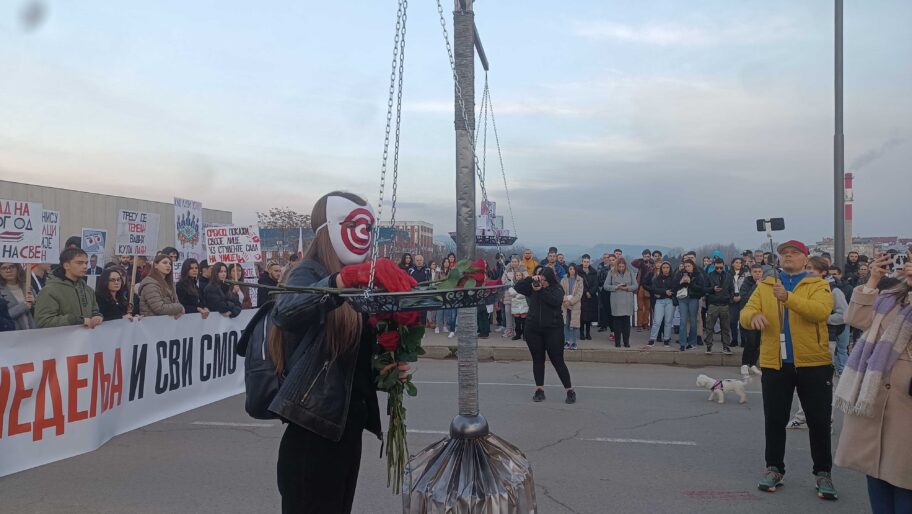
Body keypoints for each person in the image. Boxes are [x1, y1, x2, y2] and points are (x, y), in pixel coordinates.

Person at [264, 191, 413, 513]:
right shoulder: (310, 272)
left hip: (346, 427)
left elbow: (349, 366)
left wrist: (385, 368)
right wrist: (340, 281)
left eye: (367, 227)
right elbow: (286, 311)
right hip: (313, 430)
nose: (363, 234)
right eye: (353, 224)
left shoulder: (355, 285)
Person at [739, 240, 837, 500]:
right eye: (784, 254)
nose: (788, 257)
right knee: (774, 420)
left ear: (806, 259)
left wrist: (789, 298)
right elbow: (745, 312)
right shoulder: (765, 286)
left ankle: (823, 473)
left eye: (794, 253)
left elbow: (820, 312)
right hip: (775, 363)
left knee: (818, 421)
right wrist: (752, 318)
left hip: (814, 363)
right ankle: (774, 469)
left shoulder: (818, 285)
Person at [834, 250, 912, 513]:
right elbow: (855, 319)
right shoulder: (891, 294)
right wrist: (872, 281)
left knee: (905, 479)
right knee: (875, 470)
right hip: (874, 394)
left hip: (905, 402)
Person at [514, 266, 576, 404]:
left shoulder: (557, 289)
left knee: (557, 360)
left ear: (550, 280)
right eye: (540, 280)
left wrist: (541, 290)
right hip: (533, 329)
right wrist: (531, 278)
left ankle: (570, 390)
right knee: (538, 360)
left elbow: (554, 301)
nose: (541, 283)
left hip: (553, 330)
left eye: (544, 280)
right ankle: (539, 390)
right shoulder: (533, 286)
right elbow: (517, 287)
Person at [34, 248, 103, 329]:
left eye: (86, 263)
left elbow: (94, 311)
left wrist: (97, 317)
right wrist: (77, 320)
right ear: (66, 265)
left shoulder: (88, 290)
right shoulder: (49, 290)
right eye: (79, 263)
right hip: (61, 340)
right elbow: (43, 321)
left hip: (86, 339)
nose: (85, 266)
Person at [703, 257, 735, 355]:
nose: (719, 270)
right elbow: (704, 289)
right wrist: (713, 289)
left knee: (725, 327)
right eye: (717, 268)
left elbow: (732, 289)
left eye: (721, 268)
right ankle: (709, 346)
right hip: (713, 304)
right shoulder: (709, 276)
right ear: (714, 266)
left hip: (725, 304)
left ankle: (726, 346)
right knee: (709, 327)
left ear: (724, 265)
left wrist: (730, 298)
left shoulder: (728, 276)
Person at [604, 257, 638, 348]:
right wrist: (616, 287)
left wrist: (627, 288)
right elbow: (606, 286)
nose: (621, 268)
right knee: (617, 324)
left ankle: (626, 342)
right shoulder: (611, 272)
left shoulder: (630, 272)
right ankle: (617, 342)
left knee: (626, 324)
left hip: (627, 300)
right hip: (616, 301)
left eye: (623, 266)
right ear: (616, 266)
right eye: (620, 266)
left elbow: (635, 285)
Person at [138, 254, 185, 318]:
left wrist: (178, 310)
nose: (168, 265)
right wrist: (180, 307)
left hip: (168, 323)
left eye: (170, 264)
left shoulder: (171, 284)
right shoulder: (150, 284)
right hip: (153, 324)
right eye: (164, 263)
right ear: (156, 265)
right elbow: (159, 308)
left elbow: (175, 302)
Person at [739, 264, 764, 377]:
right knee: (751, 341)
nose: (757, 274)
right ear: (751, 273)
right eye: (755, 272)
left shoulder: (765, 283)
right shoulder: (746, 283)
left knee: (759, 342)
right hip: (749, 316)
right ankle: (744, 364)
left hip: (762, 316)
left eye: (759, 271)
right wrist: (756, 286)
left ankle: (753, 364)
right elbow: (745, 298)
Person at [674, 259, 705, 350]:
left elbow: (700, 289)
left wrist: (690, 282)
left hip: (693, 299)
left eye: (689, 266)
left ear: (693, 266)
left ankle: (692, 343)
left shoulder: (698, 275)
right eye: (685, 266)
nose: (687, 268)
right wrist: (681, 283)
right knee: (683, 320)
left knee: (693, 321)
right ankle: (682, 343)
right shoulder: (680, 274)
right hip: (682, 299)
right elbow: (674, 287)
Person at [647, 261, 676, 347]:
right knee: (657, 321)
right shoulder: (657, 278)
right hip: (659, 301)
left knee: (668, 321)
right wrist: (664, 291)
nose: (666, 269)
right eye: (664, 268)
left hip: (670, 301)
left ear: (670, 269)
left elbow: (675, 288)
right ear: (661, 269)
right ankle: (652, 339)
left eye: (667, 267)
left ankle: (666, 339)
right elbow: (654, 289)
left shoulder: (673, 278)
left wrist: (668, 292)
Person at [0, 263, 36, 330]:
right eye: (4, 268)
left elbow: (39, 312)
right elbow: (3, 317)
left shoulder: (27, 287)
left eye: (12, 267)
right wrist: (24, 306)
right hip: (11, 335)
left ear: (18, 269)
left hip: (32, 333)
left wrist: (34, 303)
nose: (8, 270)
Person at [561, 263, 584, 350]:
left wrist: (570, 302)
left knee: (575, 324)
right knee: (566, 323)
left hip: (575, 305)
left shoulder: (579, 280)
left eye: (573, 269)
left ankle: (574, 342)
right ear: (568, 270)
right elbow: (561, 291)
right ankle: (566, 341)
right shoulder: (563, 279)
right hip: (565, 305)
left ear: (576, 270)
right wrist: (565, 301)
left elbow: (579, 294)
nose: (572, 271)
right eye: (570, 269)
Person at [631, 250, 654, 332]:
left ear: (650, 256)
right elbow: (633, 263)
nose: (646, 258)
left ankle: (646, 323)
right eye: (645, 256)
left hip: (648, 287)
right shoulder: (640, 263)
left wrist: (650, 261)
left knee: (647, 307)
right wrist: (642, 259)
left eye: (648, 256)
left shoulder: (652, 264)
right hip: (640, 286)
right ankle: (639, 324)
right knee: (640, 307)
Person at [579, 254, 599, 341]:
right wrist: (585, 292)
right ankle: (581, 333)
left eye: (587, 262)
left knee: (589, 316)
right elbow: (578, 284)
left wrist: (590, 292)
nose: (586, 263)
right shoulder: (578, 272)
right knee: (582, 316)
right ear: (582, 262)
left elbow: (596, 284)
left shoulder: (593, 272)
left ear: (589, 262)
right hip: (581, 296)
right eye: (584, 261)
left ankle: (588, 333)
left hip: (591, 297)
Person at [508, 266, 529, 341]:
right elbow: (511, 293)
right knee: (517, 321)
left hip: (523, 303)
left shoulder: (525, 283)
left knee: (524, 320)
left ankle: (525, 335)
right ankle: (517, 334)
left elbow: (525, 293)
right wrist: (516, 294)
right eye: (517, 275)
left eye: (520, 275)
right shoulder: (512, 283)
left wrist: (517, 294)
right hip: (515, 304)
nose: (518, 276)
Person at [730, 258, 747, 347]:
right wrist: (732, 296)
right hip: (732, 298)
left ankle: (743, 340)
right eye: (736, 262)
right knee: (733, 320)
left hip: (742, 298)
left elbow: (747, 287)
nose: (738, 264)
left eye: (740, 263)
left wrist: (741, 296)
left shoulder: (746, 274)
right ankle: (734, 339)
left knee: (742, 320)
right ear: (732, 264)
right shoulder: (728, 274)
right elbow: (727, 287)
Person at [597, 253, 615, 336]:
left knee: (614, 311)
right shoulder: (601, 268)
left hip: (614, 292)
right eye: (605, 258)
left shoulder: (617, 269)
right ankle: (607, 327)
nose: (608, 260)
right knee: (605, 310)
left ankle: (615, 330)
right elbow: (598, 279)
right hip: (604, 291)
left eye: (610, 258)